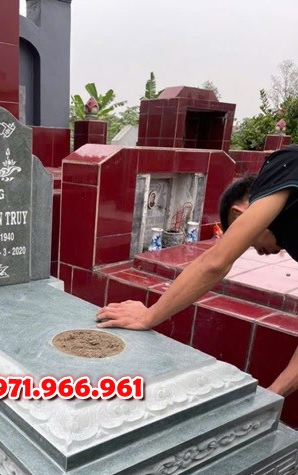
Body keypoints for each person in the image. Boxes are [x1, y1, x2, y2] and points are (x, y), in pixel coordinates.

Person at [96, 144, 298, 398]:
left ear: (239, 216)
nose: (258, 252)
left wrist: (148, 316)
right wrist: (272, 396)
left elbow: (216, 262)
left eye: (246, 241)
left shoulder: (288, 162)